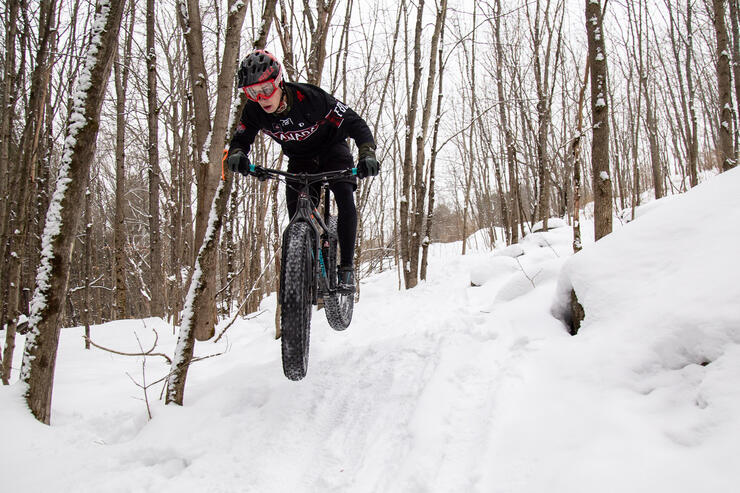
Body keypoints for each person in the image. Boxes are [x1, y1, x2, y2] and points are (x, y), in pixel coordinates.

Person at [227, 49, 378, 293]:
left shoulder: (310, 98)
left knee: (344, 196)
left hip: (332, 150)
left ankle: (347, 269)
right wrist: (237, 155)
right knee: (296, 214)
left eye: (266, 89)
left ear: (278, 82)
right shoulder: (253, 111)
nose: (262, 98)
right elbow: (241, 139)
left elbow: (355, 122)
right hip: (300, 159)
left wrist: (367, 153)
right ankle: (306, 268)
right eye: (252, 92)